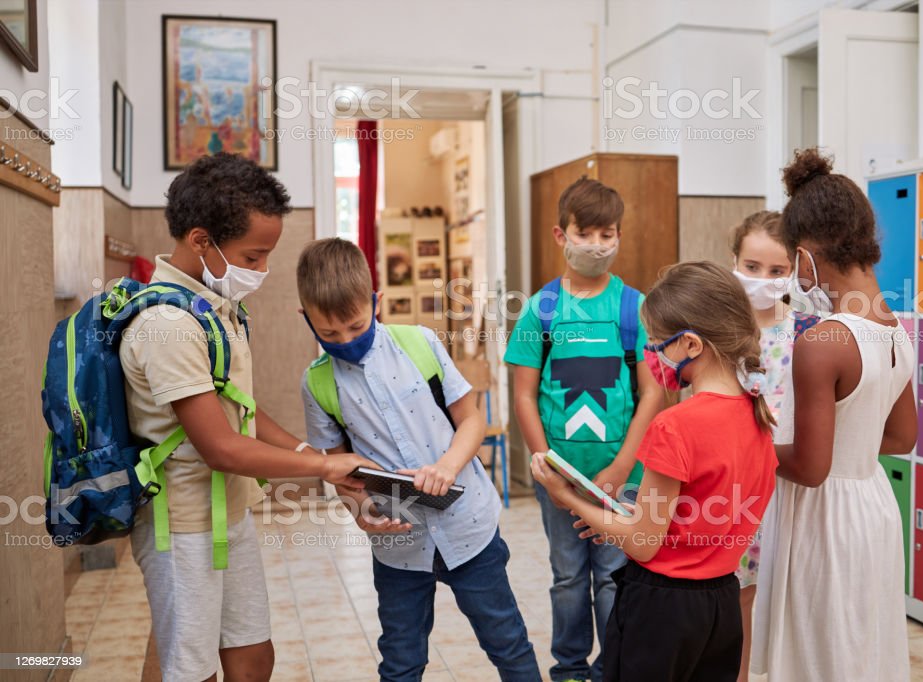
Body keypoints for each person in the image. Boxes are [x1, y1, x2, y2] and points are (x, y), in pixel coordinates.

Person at [121, 153, 371, 682]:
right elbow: (222, 447)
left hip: (227, 514)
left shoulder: (212, 305)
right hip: (182, 526)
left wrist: (310, 453)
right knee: (189, 670)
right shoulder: (166, 324)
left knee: (254, 656)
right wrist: (323, 471)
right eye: (253, 257)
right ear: (200, 240)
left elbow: (242, 411)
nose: (260, 271)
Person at [298, 238, 541, 682]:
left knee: (507, 643)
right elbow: (339, 470)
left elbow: (471, 419)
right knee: (401, 661)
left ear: (376, 303)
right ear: (306, 320)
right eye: (328, 334)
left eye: (356, 325)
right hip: (398, 547)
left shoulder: (420, 343)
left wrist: (447, 466)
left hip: (469, 532)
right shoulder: (317, 384)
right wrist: (359, 512)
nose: (346, 341)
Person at [532, 260, 778, 682]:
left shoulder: (675, 424)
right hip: (721, 602)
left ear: (693, 346)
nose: (652, 356)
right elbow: (689, 516)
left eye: (659, 344)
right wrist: (617, 519)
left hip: (662, 610)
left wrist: (566, 497)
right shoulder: (759, 418)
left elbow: (644, 543)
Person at [751, 148, 917, 681]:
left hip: (826, 519)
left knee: (818, 655)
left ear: (804, 256)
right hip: (873, 506)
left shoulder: (824, 341)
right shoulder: (896, 328)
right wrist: (848, 441)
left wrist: (751, 437)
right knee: (861, 650)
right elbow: (902, 437)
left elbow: (811, 467)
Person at [505, 177, 663, 682]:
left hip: (625, 477)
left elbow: (654, 394)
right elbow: (524, 396)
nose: (596, 245)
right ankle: (569, 669)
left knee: (615, 578)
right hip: (562, 480)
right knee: (568, 577)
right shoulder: (540, 310)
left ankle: (612, 666)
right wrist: (547, 468)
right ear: (561, 234)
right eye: (585, 233)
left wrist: (622, 467)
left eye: (607, 234)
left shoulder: (634, 308)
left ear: (619, 236)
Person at [729, 210, 819, 681]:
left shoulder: (807, 333)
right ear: (734, 262)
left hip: (790, 485)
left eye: (777, 271)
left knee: (792, 594)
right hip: (733, 487)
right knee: (739, 593)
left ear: (794, 271)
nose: (763, 280)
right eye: (752, 267)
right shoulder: (720, 332)